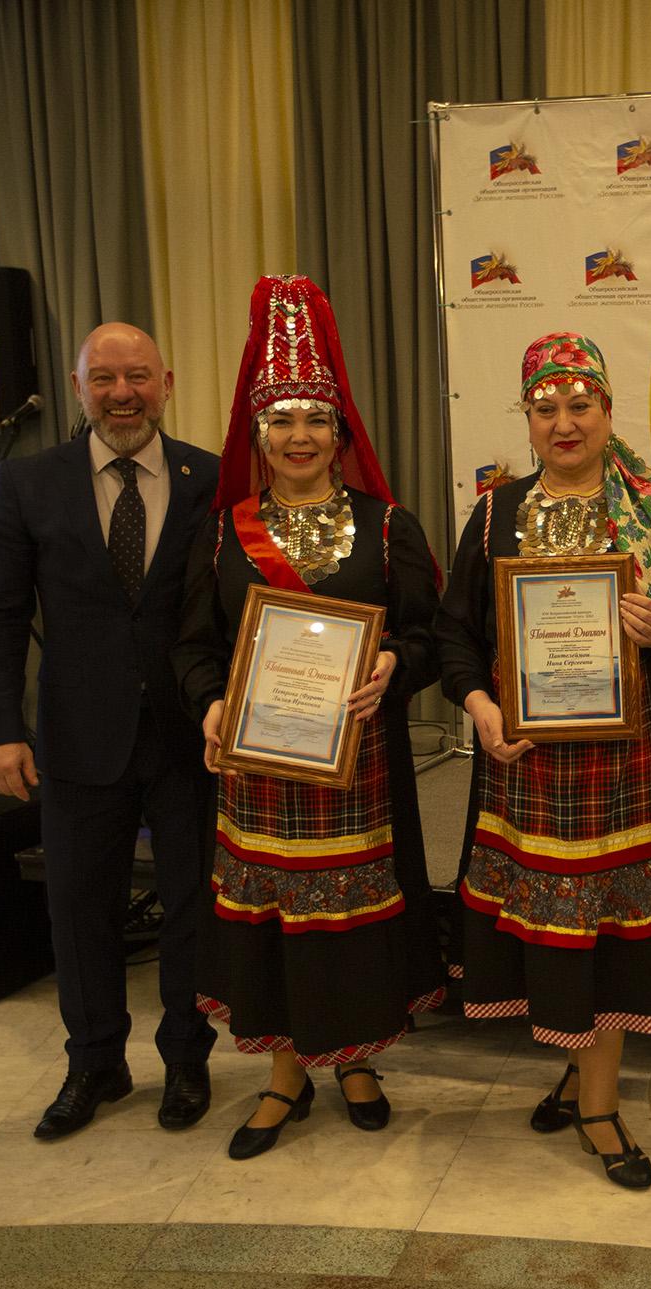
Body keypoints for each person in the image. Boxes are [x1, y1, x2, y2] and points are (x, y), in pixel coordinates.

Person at [170, 275, 444, 1160]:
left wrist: (394, 664)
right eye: (282, 420)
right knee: (276, 922)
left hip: (359, 764)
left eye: (315, 420)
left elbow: (430, 635)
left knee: (353, 920)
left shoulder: (389, 527)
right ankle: (286, 1074)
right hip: (259, 766)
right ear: (259, 434)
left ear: (341, 433)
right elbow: (193, 646)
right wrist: (212, 704)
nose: (299, 436)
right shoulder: (225, 533)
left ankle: (355, 1060)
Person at [436, 332, 651, 1190]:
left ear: (607, 411)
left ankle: (598, 1104)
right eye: (545, 407)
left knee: (610, 930)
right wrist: (479, 707)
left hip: (617, 766)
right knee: (553, 932)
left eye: (579, 404)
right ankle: (577, 1069)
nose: (564, 422)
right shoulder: (495, 513)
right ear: (526, 418)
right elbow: (454, 635)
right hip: (520, 759)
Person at [0, 323, 220, 1139]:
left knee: (192, 906)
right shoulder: (28, 481)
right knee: (80, 908)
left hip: (189, 736)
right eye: (104, 378)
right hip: (76, 737)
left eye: (137, 376)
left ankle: (187, 1057)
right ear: (78, 388)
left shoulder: (212, 479)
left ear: (166, 383)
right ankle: (95, 1062)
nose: (122, 393)